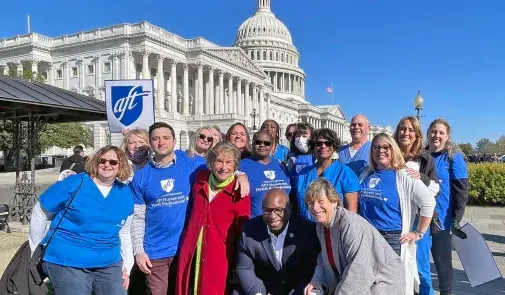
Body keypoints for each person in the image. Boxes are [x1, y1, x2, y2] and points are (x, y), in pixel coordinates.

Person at [131, 122, 250, 295]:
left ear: (174, 140)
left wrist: (240, 174)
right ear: (150, 142)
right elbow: (138, 217)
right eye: (156, 139)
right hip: (155, 251)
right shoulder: (141, 176)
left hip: (184, 248)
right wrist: (138, 251)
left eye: (166, 138)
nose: (161, 142)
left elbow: (221, 167)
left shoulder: (191, 165)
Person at [29, 145, 134, 295]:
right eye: (102, 160)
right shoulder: (75, 183)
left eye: (113, 162)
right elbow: (40, 211)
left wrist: (128, 264)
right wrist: (35, 248)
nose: (107, 165)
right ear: (95, 162)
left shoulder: (125, 193)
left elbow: (124, 233)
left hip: (108, 260)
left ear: (121, 166)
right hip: (67, 258)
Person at [358, 133, 435, 294]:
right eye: (376, 147)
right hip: (367, 238)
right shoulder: (366, 173)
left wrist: (418, 232)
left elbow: (428, 203)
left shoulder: (404, 174)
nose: (381, 151)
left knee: (391, 287)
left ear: (393, 150)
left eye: (386, 147)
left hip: (392, 239)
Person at [303, 178, 405, 295]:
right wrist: (317, 281)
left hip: (381, 283)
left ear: (334, 201)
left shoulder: (350, 224)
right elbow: (324, 258)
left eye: (320, 201)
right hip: (360, 281)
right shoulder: (321, 226)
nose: (315, 208)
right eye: (311, 203)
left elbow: (359, 270)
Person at [176, 141, 251, 295]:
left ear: (236, 165)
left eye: (229, 162)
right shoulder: (200, 180)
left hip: (219, 256)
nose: (223, 167)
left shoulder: (240, 191)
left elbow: (241, 231)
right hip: (191, 251)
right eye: (219, 161)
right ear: (211, 162)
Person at [235, 188, 319, 295]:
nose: (272, 216)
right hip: (264, 288)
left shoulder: (306, 230)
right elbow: (245, 268)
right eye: (267, 210)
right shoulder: (249, 231)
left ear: (289, 208)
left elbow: (310, 271)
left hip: (296, 289)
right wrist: (258, 293)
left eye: (278, 210)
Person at [394, 116, 440, 295]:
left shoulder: (425, 158)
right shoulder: (389, 154)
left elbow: (436, 188)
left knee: (420, 270)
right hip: (395, 219)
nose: (406, 133)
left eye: (410, 130)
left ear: (417, 135)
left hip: (417, 220)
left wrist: (420, 177)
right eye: (402, 129)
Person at [425, 119, 469, 295]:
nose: (436, 135)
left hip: (440, 219)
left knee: (442, 263)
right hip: (419, 218)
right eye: (434, 132)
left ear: (447, 136)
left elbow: (461, 190)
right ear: (428, 133)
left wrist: (456, 218)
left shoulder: (453, 157)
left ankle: (446, 292)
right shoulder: (420, 155)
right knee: (419, 262)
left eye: (441, 133)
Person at [293, 128, 360, 221]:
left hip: (333, 230)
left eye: (328, 143)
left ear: (334, 148)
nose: (323, 146)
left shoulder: (345, 173)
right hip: (305, 228)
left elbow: (352, 210)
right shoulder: (303, 173)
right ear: (313, 146)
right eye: (318, 143)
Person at [239, 131, 291, 217]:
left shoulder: (280, 165)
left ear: (272, 146)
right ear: (252, 143)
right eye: (258, 142)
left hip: (282, 222)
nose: (262, 145)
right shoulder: (241, 166)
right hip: (255, 223)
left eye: (267, 143)